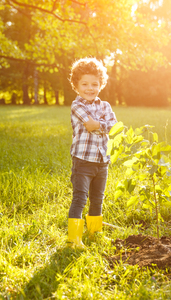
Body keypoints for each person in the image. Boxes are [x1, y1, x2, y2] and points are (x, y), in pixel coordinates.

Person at [67, 57, 118, 248]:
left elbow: (114, 127)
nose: (90, 88)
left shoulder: (105, 106)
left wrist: (100, 124)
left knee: (97, 199)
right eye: (85, 84)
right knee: (80, 198)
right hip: (83, 162)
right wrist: (101, 124)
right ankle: (74, 239)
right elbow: (89, 125)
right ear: (76, 86)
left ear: (101, 84)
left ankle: (94, 233)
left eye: (94, 84)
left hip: (101, 161)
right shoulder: (77, 105)